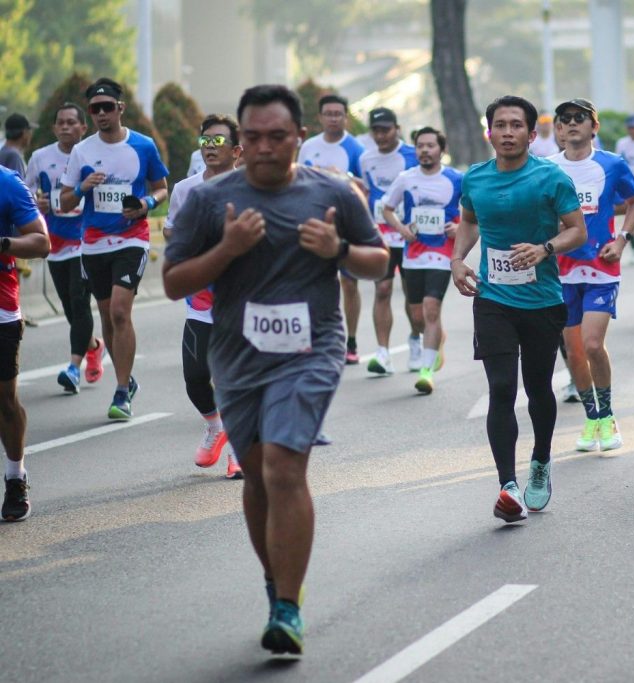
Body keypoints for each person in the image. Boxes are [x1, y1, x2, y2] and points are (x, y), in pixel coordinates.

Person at [163, 84, 389, 654]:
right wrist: (227, 251)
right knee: (260, 476)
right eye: (254, 137)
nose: (265, 147)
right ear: (240, 142)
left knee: (286, 468)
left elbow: (378, 260)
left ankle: (287, 607)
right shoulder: (209, 202)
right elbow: (173, 282)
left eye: (278, 136)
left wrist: (337, 249)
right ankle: (276, 581)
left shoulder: (332, 193)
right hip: (237, 356)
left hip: (310, 348)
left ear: (300, 138)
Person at [452, 95, 586, 523]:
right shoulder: (475, 178)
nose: (507, 132)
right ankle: (507, 485)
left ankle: (541, 461)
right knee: (502, 388)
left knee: (539, 388)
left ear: (531, 133)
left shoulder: (550, 178)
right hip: (493, 299)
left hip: (542, 300)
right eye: (500, 125)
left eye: (516, 126)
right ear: (489, 131)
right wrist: (458, 260)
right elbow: (470, 221)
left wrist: (545, 248)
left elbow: (577, 232)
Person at [60, 77, 169, 420]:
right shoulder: (82, 151)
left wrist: (146, 204)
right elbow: (64, 202)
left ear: (120, 108)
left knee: (121, 311)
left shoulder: (144, 145)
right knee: (106, 315)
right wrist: (81, 188)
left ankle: (121, 392)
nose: (102, 113)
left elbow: (162, 188)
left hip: (131, 238)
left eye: (108, 107)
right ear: (90, 113)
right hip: (93, 243)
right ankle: (127, 378)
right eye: (95, 109)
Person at [550, 98, 634, 452]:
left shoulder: (612, 164)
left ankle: (608, 414)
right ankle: (592, 419)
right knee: (574, 353)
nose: (572, 124)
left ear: (594, 127)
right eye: (565, 120)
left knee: (592, 344)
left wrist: (622, 239)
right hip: (561, 269)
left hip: (602, 266)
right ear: (558, 130)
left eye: (580, 118)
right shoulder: (547, 168)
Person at [164, 114, 245, 479]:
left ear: (237, 150)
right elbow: (170, 233)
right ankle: (215, 425)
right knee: (196, 377)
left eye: (218, 141)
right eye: (205, 141)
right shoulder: (186, 189)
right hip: (201, 301)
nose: (210, 148)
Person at [24, 103, 105, 394]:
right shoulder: (40, 157)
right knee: (71, 309)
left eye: (72, 122)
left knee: (78, 300)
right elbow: (25, 191)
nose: (66, 127)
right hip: (55, 243)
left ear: (84, 127)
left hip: (86, 241)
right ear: (54, 127)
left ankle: (73, 368)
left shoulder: (95, 155)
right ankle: (94, 347)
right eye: (61, 122)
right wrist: (38, 202)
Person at [381, 126, 462, 394]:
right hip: (413, 255)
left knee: (430, 309)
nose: (425, 150)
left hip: (441, 255)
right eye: (420, 146)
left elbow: (475, 212)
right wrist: (401, 229)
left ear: (442, 149)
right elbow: (387, 209)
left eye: (430, 145)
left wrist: (459, 227)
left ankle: (427, 372)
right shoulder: (405, 178)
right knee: (417, 316)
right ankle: (436, 337)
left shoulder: (456, 179)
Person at [298, 95, 367, 364]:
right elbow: (297, 178)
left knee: (349, 283)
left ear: (346, 117)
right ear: (320, 117)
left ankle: (351, 341)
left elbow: (366, 186)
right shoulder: (308, 147)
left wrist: (345, 177)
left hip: (345, 224)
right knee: (313, 281)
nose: (334, 118)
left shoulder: (356, 148)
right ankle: (316, 337)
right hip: (314, 221)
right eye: (328, 113)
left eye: (338, 114)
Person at [0, 167, 51, 522]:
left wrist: (3, 244)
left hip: (1, 308)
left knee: (4, 401)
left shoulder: (6, 183)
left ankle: (15, 477)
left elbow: (41, 242)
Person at [360, 107, 421, 375]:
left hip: (408, 234)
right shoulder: (366, 158)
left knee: (411, 293)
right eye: (376, 130)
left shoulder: (411, 154)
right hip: (381, 235)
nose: (381, 135)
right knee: (382, 289)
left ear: (396, 128)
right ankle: (383, 352)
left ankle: (416, 341)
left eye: (385, 129)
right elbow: (367, 191)